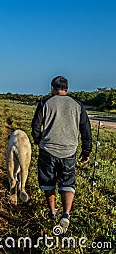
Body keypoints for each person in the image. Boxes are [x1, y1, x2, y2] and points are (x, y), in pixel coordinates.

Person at [32, 76, 92, 233]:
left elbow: (36, 126)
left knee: (48, 182)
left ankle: (52, 212)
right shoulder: (77, 104)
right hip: (69, 151)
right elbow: (86, 130)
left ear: (52, 88)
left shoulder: (45, 102)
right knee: (67, 183)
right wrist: (86, 151)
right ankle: (66, 214)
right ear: (67, 89)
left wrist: (39, 141)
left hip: (47, 150)